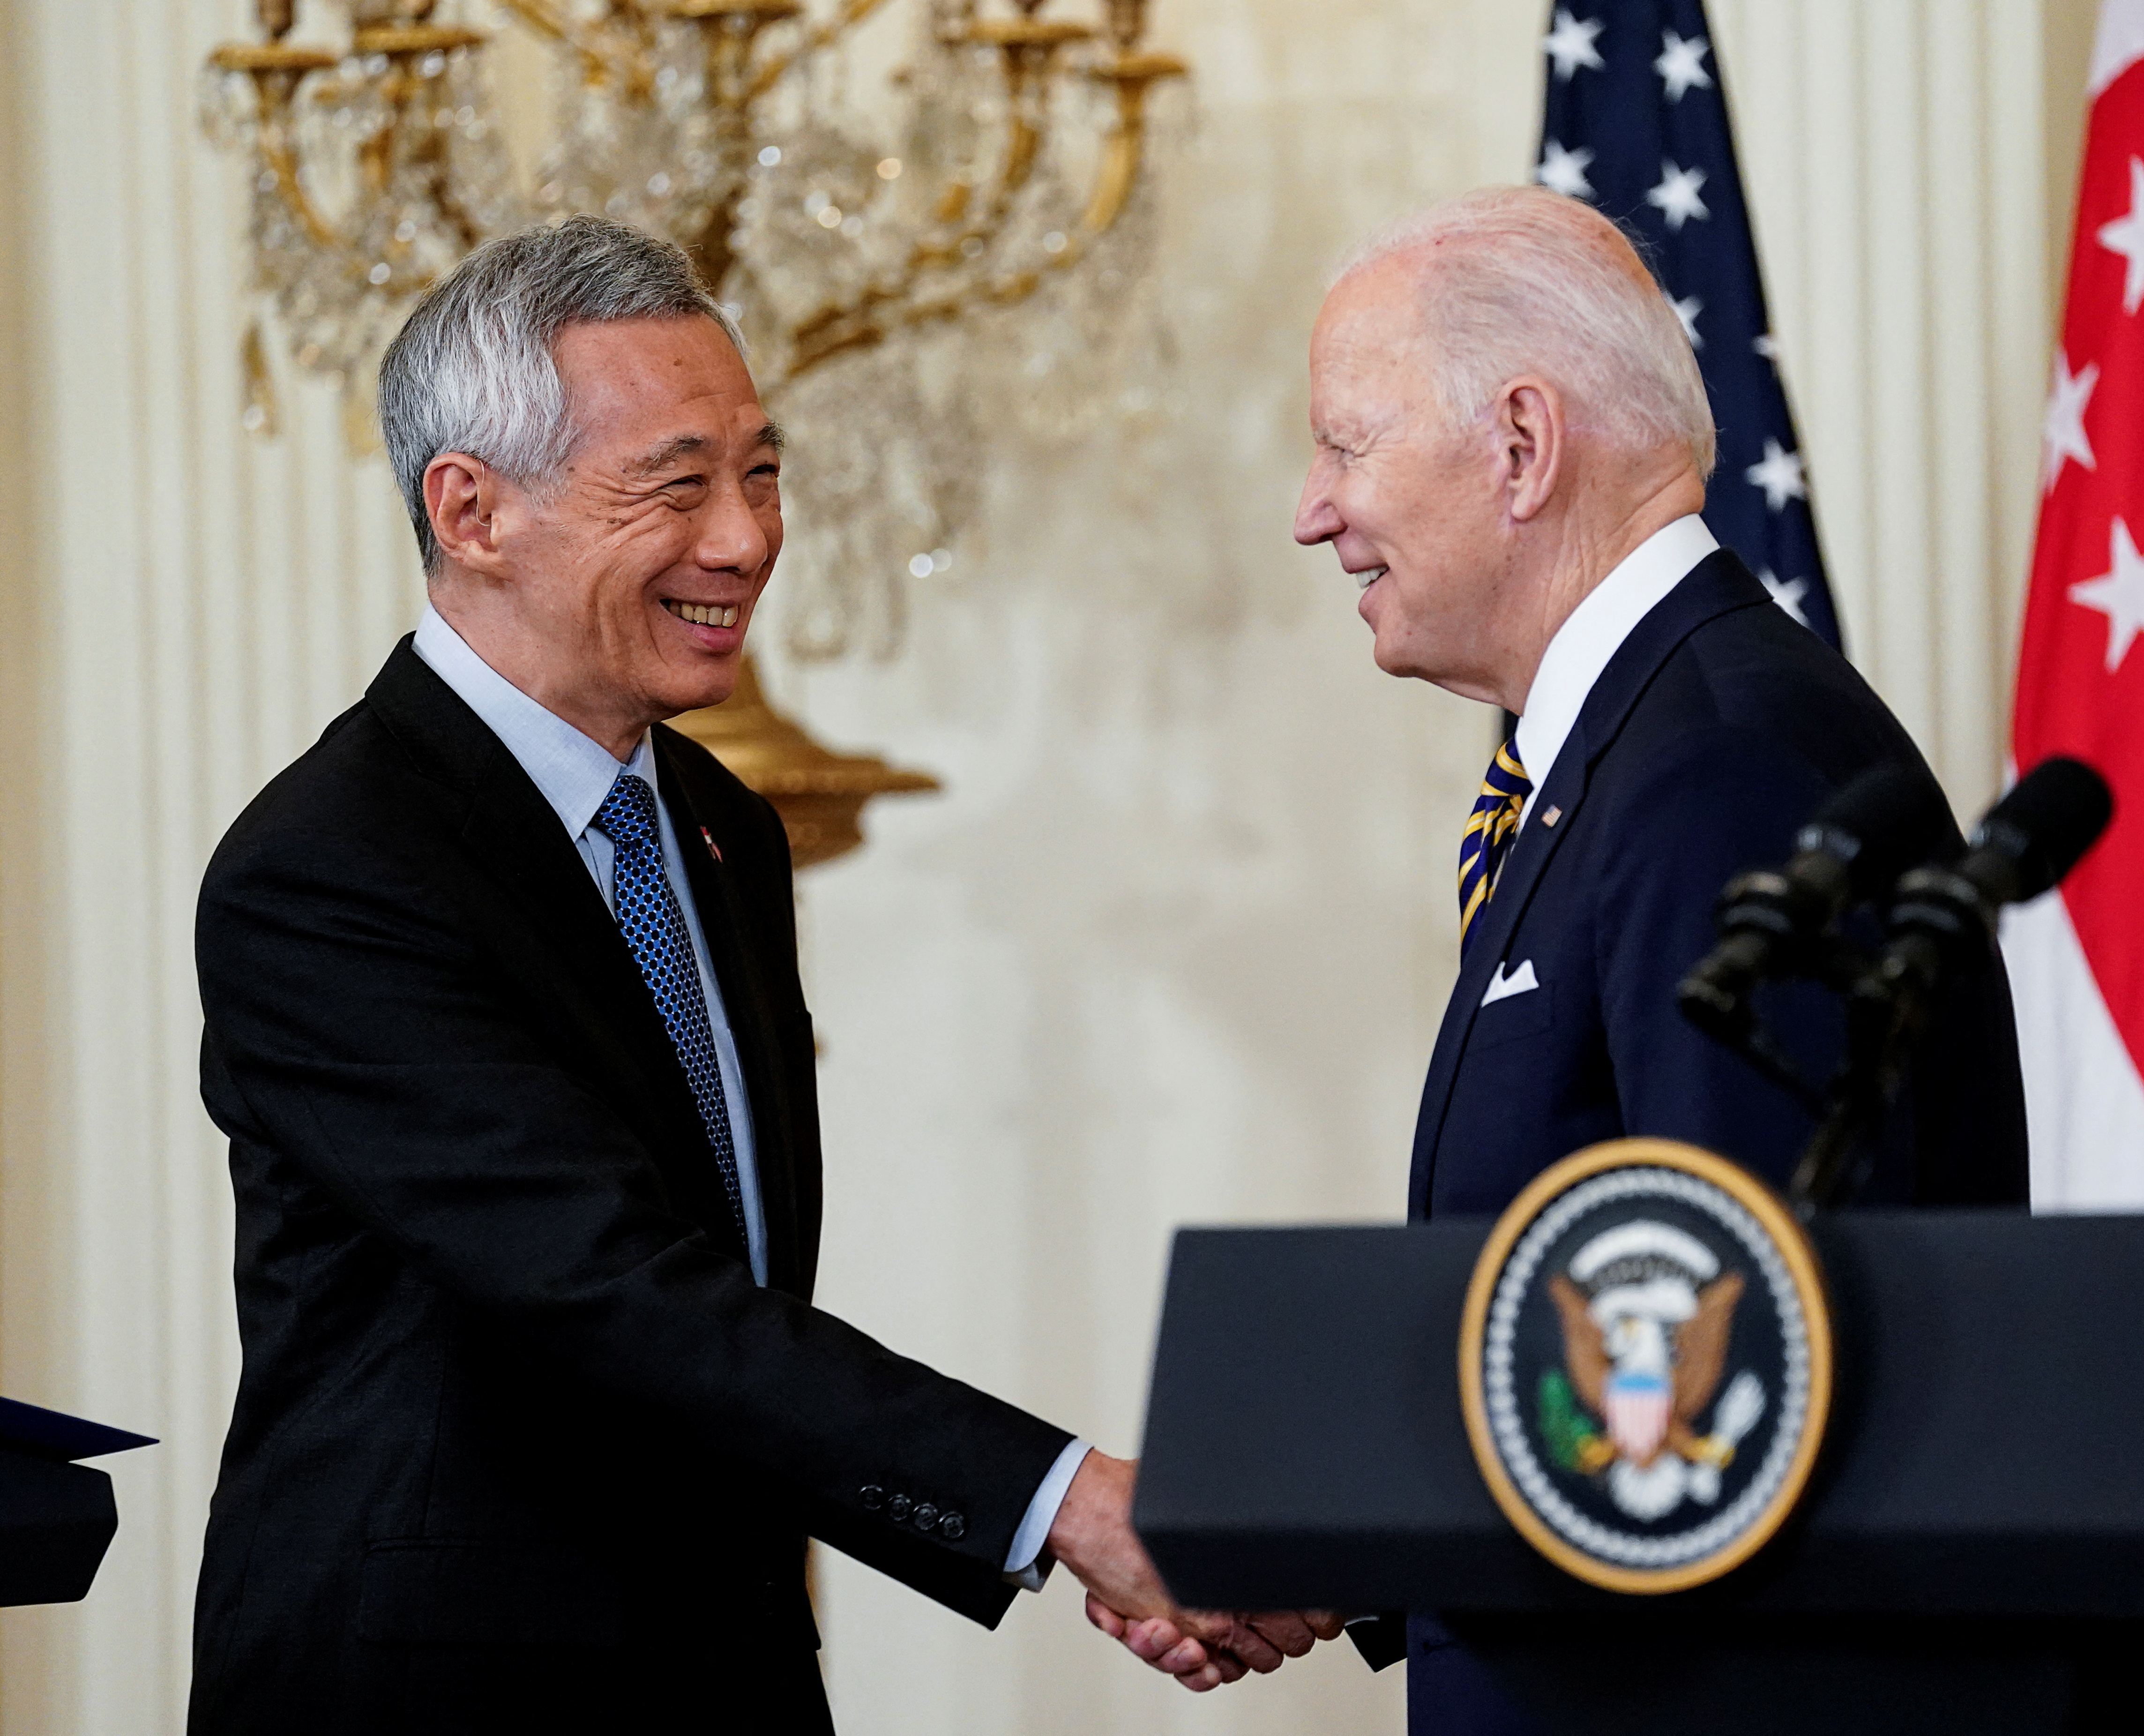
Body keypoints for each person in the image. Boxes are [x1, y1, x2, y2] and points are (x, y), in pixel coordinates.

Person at [189, 216, 1333, 1736]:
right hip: (438, 1681)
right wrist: (1072, 1508)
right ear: (470, 510)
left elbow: (722, 1302)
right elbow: (612, 1291)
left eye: (763, 473)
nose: (745, 538)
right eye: (676, 483)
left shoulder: (716, 825)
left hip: (725, 1658)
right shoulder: (333, 870)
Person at [1293, 187, 2028, 1734]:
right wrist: (1346, 1549)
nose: (1314, 509)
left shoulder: (1719, 767)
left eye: (1344, 445)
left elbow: (1737, 1367)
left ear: (1518, 444)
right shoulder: (1637, 745)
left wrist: (1337, 1527)